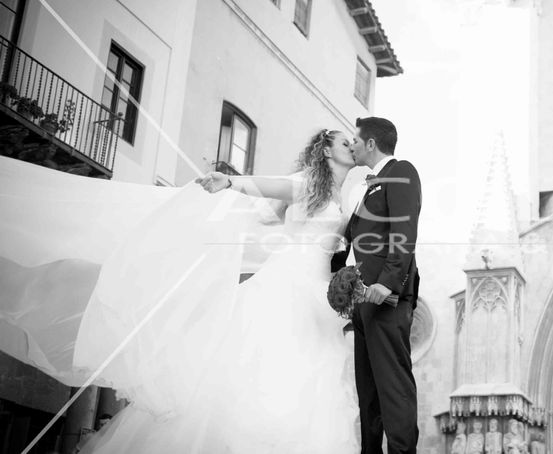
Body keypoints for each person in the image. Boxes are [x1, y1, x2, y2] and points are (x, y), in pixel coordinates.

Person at [0, 129, 363, 453]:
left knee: (314, 384)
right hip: (283, 287)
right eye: (344, 141)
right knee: (260, 371)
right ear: (326, 151)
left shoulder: (344, 199)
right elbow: (261, 185)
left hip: (317, 298)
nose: (352, 144)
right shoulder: (305, 186)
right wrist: (228, 182)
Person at [333, 116, 422, 454]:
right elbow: (350, 241)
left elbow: (404, 229)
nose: (352, 145)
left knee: (393, 387)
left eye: (355, 140)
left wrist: (388, 282)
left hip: (387, 298)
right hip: (361, 301)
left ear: (371, 143)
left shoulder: (402, 172)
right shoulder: (365, 186)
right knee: (368, 392)